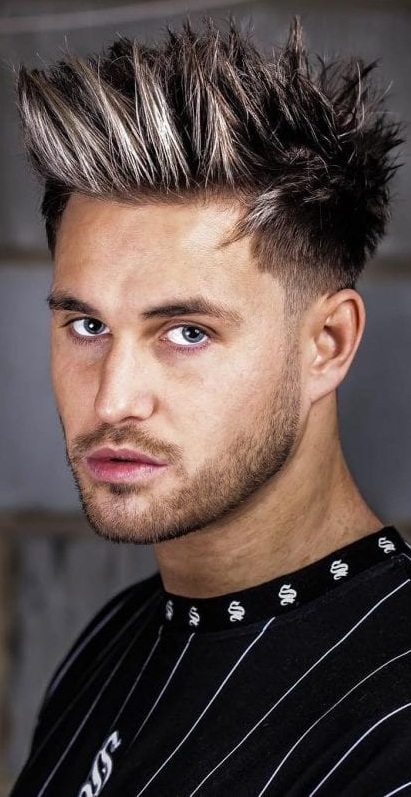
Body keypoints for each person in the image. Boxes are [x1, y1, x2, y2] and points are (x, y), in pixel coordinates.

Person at [11, 17, 411, 797]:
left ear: (326, 343)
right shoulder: (114, 640)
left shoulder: (392, 730)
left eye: (186, 332)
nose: (113, 397)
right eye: (87, 326)